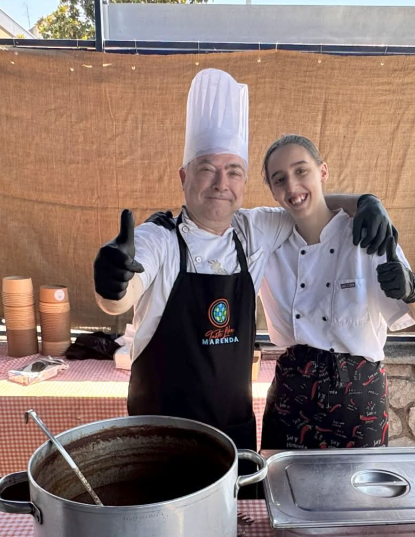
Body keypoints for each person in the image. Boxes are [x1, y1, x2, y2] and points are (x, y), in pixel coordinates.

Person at [92, 70, 397, 451]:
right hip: (159, 437)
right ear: (184, 176)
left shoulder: (255, 229)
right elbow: (120, 293)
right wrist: (113, 284)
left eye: (233, 171)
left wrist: (365, 202)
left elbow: (307, 200)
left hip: (231, 436)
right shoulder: (159, 238)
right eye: (207, 169)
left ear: (245, 181)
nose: (222, 182)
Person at [257, 135, 415, 450]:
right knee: (283, 493)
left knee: (357, 497)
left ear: (323, 172)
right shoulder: (268, 239)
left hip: (359, 400)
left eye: (301, 171)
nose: (291, 186)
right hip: (292, 395)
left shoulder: (365, 236)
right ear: (273, 191)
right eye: (280, 179)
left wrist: (413, 288)